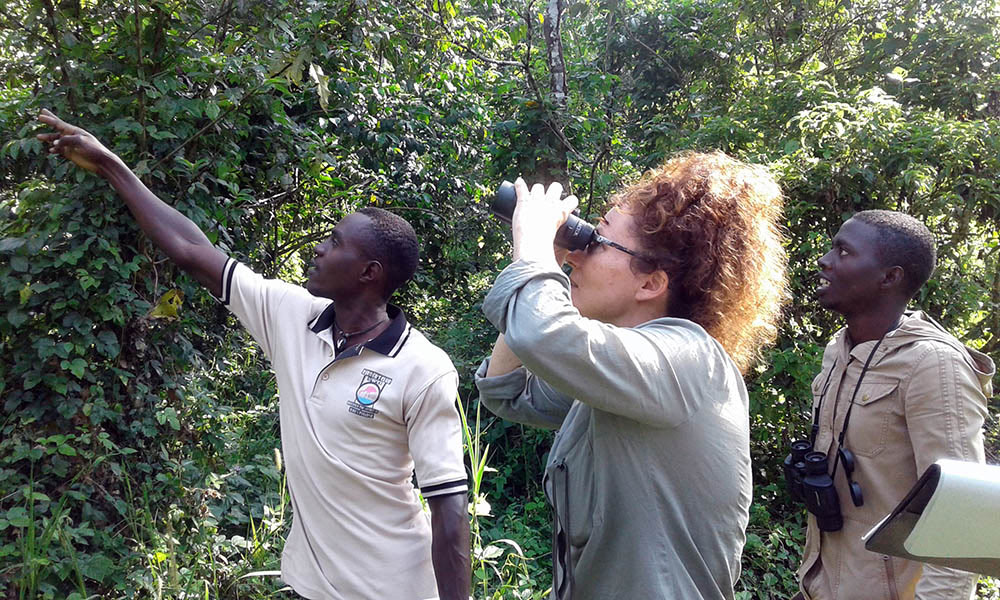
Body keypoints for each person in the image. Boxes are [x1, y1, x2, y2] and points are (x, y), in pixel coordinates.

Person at [36, 109, 471, 600]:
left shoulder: (423, 369)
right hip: (312, 585)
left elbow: (449, 512)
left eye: (334, 243)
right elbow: (190, 249)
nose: (319, 251)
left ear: (369, 272)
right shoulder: (292, 315)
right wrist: (112, 165)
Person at [474, 152, 789, 599]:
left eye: (596, 243)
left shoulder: (687, 360)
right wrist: (554, 262)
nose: (580, 256)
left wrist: (534, 246)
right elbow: (509, 392)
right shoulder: (622, 372)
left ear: (650, 284)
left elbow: (542, 335)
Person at [795, 210, 994, 600]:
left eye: (844, 251)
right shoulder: (839, 350)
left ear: (890, 277)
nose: (825, 260)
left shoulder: (933, 365)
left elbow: (960, 518)